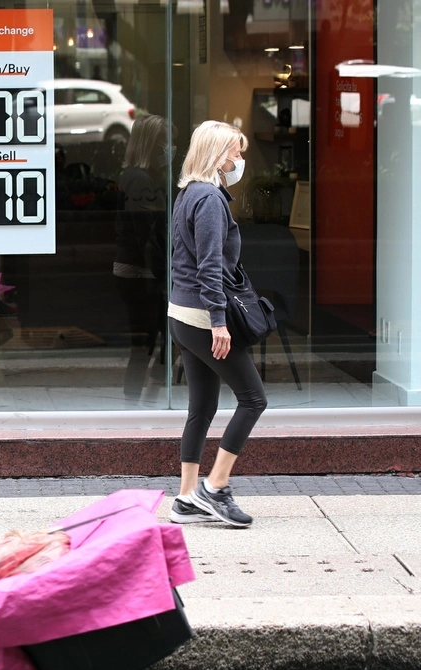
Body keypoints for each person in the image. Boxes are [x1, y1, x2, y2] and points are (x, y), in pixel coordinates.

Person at [166, 120, 266, 529]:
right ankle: (216, 486)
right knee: (253, 399)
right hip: (202, 317)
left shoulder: (189, 191)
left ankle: (186, 498)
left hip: (182, 314)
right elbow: (209, 266)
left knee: (202, 407)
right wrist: (219, 322)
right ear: (215, 154)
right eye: (235, 153)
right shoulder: (208, 198)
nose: (239, 160)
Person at [114, 115, 172, 397]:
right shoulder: (140, 180)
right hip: (142, 272)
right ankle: (137, 399)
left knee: (157, 340)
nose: (170, 147)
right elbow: (145, 235)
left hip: (144, 269)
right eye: (166, 141)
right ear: (152, 144)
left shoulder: (144, 177)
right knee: (146, 343)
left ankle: (145, 397)